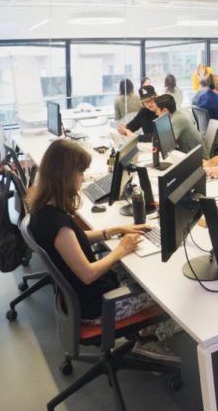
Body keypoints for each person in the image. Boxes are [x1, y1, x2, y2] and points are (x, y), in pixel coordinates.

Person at [26, 139, 181, 362]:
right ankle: (149, 338)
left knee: (144, 267)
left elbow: (74, 240)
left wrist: (113, 230)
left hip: (84, 295)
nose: (82, 178)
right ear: (65, 176)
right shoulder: (57, 225)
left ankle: (146, 334)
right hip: (99, 306)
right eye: (80, 173)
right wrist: (120, 250)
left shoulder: (43, 211)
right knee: (168, 289)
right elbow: (88, 273)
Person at [157, 94, 204, 159]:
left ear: (165, 110)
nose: (156, 114)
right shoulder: (177, 114)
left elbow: (167, 146)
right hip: (192, 155)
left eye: (157, 111)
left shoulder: (176, 120)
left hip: (200, 161)